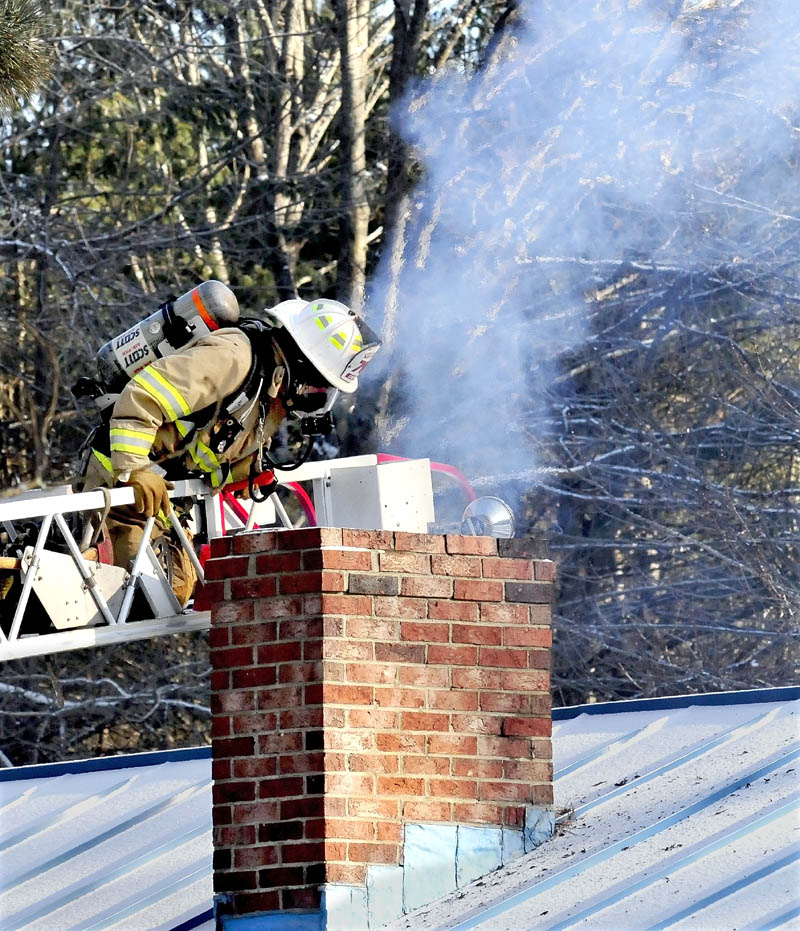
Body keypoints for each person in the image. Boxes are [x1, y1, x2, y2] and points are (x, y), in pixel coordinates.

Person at [79, 295, 381, 605]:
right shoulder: (232, 358)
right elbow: (143, 397)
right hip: (120, 489)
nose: (315, 401)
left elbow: (210, 447)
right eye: (319, 390)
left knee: (176, 589)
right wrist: (134, 469)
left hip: (164, 504)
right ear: (302, 366)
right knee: (137, 594)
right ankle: (65, 555)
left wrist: (242, 472)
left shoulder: (267, 392)